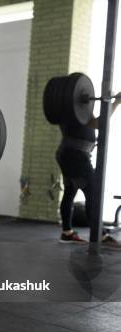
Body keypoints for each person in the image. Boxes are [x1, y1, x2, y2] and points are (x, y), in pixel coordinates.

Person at [56, 89, 121, 244]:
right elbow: (99, 123)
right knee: (93, 193)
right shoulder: (76, 111)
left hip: (69, 155)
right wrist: (116, 102)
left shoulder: (66, 110)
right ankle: (101, 236)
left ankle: (67, 233)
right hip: (75, 157)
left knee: (70, 191)